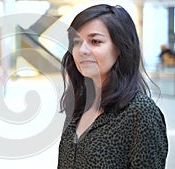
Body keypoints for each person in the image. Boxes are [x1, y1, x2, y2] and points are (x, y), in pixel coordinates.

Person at [58, 4, 168, 168]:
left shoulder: (141, 113)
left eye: (95, 41)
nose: (82, 50)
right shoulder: (80, 104)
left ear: (120, 48)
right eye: (76, 42)